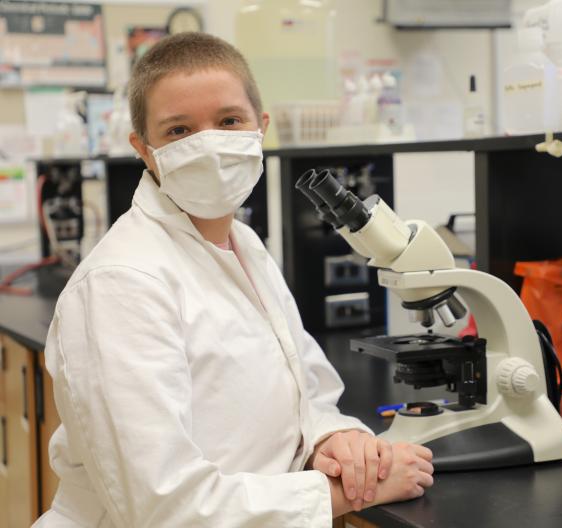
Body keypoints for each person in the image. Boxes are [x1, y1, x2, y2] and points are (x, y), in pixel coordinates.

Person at [34, 32, 433, 527]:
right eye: (179, 130)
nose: (210, 145)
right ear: (144, 148)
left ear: (259, 128)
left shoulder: (243, 245)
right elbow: (165, 508)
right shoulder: (121, 284)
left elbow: (302, 388)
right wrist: (341, 494)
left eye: (228, 121)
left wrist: (335, 440)